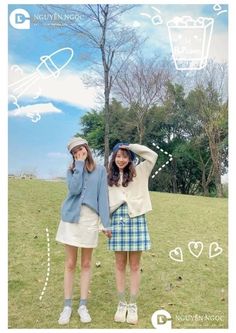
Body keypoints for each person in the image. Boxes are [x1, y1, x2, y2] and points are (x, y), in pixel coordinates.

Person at [56, 137, 112, 325]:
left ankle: (83, 305)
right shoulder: (72, 170)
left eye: (80, 148)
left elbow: (103, 197)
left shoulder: (101, 170)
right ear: (72, 155)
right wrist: (78, 165)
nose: (78, 152)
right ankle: (67, 306)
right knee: (70, 263)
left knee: (86, 263)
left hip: (90, 220)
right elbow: (74, 190)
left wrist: (106, 223)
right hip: (71, 219)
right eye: (74, 151)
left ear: (86, 148)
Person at [107, 142, 157, 325]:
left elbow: (152, 156)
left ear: (130, 158)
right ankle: (122, 304)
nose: (121, 160)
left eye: (125, 156)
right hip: (116, 221)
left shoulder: (140, 171)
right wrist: (104, 225)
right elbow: (102, 201)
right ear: (114, 158)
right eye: (118, 156)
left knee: (135, 266)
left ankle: (133, 305)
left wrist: (131, 146)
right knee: (120, 265)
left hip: (136, 219)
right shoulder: (108, 176)